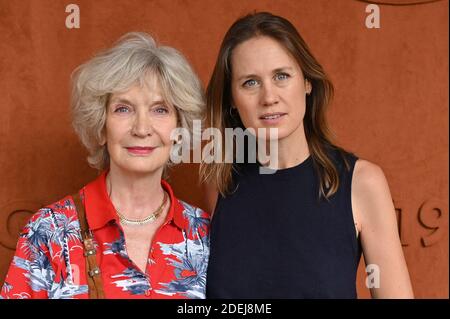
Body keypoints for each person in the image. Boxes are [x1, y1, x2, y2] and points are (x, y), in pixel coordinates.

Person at [201, 12, 413, 298]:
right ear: (231, 100)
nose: (268, 97)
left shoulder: (361, 182)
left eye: (282, 76)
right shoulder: (219, 183)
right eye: (250, 82)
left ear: (307, 82)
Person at [0, 32, 209, 299]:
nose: (142, 128)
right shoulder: (48, 232)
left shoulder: (205, 234)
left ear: (180, 128)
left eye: (160, 109)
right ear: (100, 127)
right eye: (123, 109)